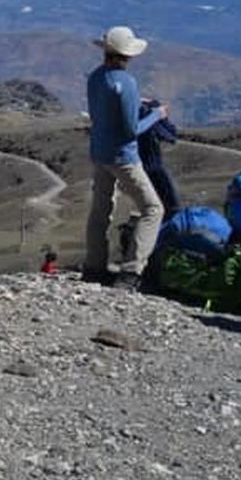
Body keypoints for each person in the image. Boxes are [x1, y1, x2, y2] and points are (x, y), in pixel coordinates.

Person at [83, 25, 168, 288]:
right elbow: (132, 130)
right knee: (153, 209)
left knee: (101, 210)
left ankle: (94, 267)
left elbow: (103, 110)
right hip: (124, 157)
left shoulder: (96, 76)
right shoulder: (127, 83)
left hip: (99, 152)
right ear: (128, 54)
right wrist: (156, 115)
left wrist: (134, 102)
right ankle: (131, 272)